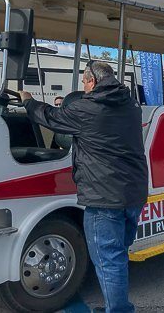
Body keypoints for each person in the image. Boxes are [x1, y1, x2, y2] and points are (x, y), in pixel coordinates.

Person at [19, 61, 148, 313]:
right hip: (133, 193)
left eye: (84, 83)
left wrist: (28, 101)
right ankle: (116, 306)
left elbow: (50, 119)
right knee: (118, 254)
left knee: (108, 259)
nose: (84, 88)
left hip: (104, 198)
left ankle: (119, 310)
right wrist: (70, 108)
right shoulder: (130, 104)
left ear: (92, 81)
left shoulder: (88, 107)